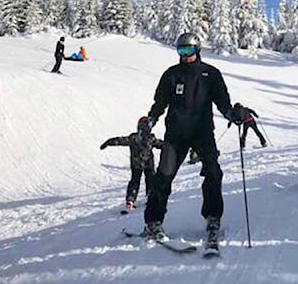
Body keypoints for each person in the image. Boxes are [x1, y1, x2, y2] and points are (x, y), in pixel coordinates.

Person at [142, 31, 247, 252]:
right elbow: (159, 103)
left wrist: (234, 115)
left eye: (189, 49)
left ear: (197, 50)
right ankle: (153, 221)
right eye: (181, 50)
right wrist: (149, 121)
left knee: (213, 173)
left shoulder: (210, 74)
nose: (185, 54)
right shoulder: (171, 75)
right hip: (176, 135)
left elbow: (223, 103)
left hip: (202, 133)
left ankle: (212, 218)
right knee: (163, 176)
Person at [100, 117, 164, 211]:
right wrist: (171, 147)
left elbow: (120, 140)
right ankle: (150, 196)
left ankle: (130, 199)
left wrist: (109, 142)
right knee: (150, 179)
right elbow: (161, 144)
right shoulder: (151, 138)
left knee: (135, 181)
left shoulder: (133, 138)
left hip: (136, 164)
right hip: (148, 163)